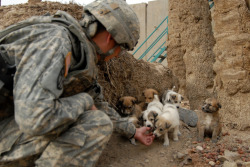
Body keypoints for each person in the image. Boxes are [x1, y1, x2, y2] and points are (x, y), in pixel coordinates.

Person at [0, 0, 155, 167]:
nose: (118, 55)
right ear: (111, 37)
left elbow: (99, 104)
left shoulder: (80, 56)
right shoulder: (55, 41)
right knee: (96, 123)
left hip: (9, 125)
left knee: (95, 117)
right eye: (121, 48)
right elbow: (34, 119)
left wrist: (133, 132)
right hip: (15, 126)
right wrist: (83, 101)